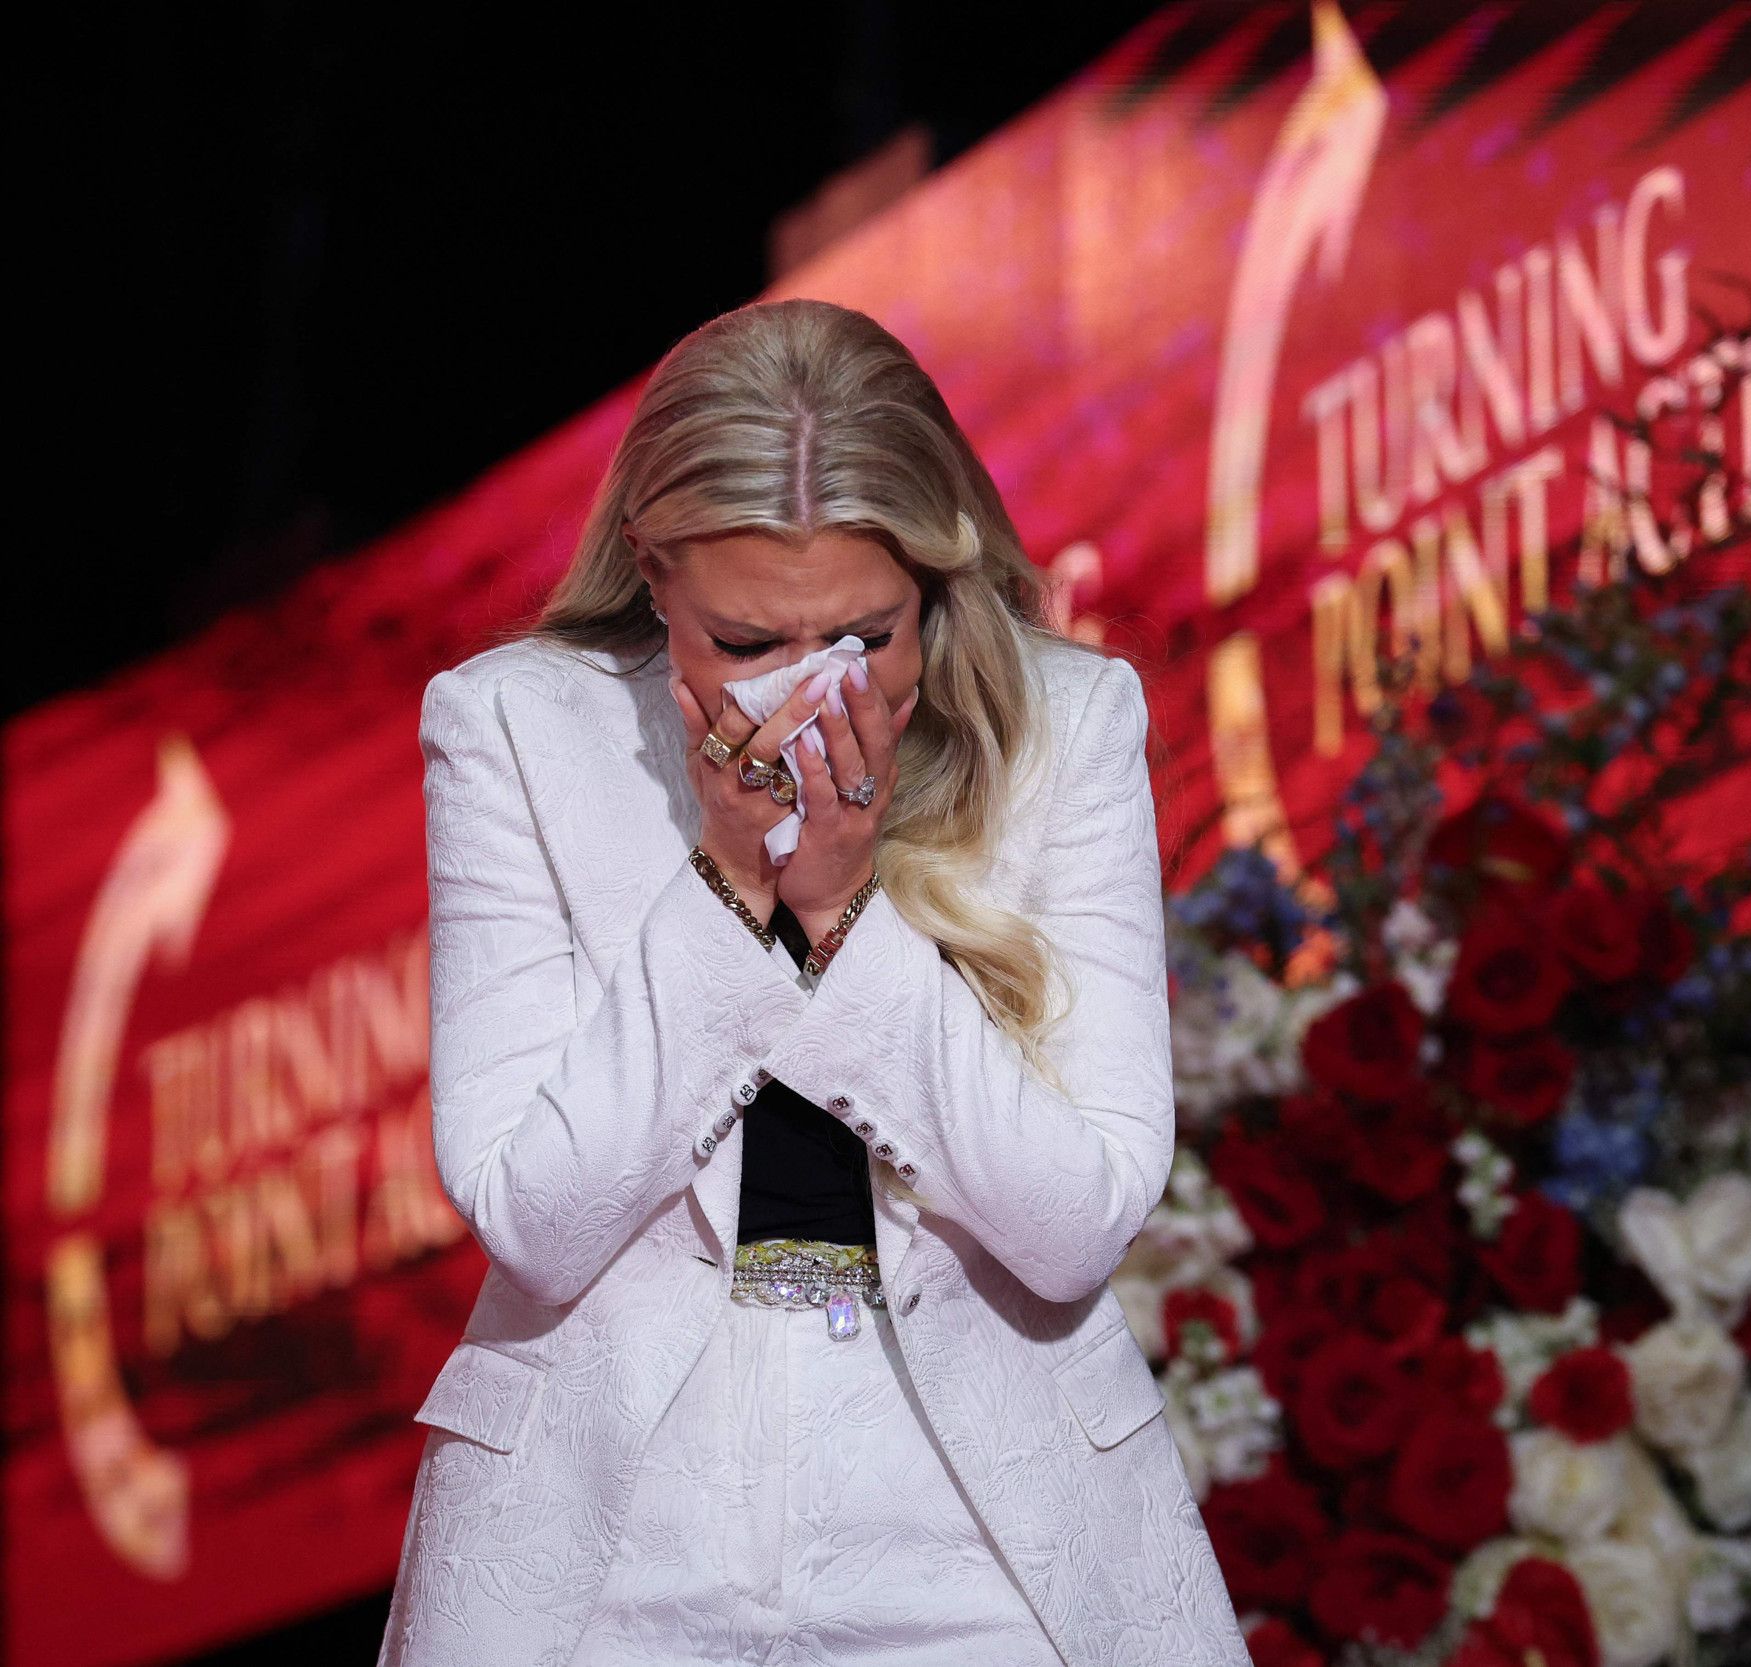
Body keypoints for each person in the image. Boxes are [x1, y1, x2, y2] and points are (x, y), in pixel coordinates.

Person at [377, 299, 1251, 1666]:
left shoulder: (1069, 726)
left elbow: (1079, 1221)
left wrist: (843, 914)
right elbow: (534, 1218)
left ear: (934, 582)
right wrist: (730, 890)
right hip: (611, 1539)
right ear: (653, 571)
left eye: (863, 639)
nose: (806, 699)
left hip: (981, 1532)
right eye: (743, 644)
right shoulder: (517, 727)